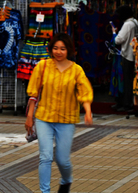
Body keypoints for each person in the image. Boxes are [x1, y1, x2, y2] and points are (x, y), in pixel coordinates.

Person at [25, 33, 93, 193]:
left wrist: (88, 111)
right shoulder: (42, 66)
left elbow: (84, 92)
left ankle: (66, 180)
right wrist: (29, 117)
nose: (59, 52)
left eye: (62, 48)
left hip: (66, 121)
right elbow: (33, 94)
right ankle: (45, 191)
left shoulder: (76, 70)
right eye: (55, 48)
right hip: (44, 118)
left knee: (62, 160)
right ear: (51, 49)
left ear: (68, 50)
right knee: (45, 157)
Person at [113, 5, 138, 112]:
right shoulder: (135, 22)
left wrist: (114, 33)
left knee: (126, 81)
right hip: (133, 54)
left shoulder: (127, 24)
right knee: (130, 81)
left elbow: (118, 40)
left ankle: (127, 104)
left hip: (127, 55)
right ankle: (128, 103)